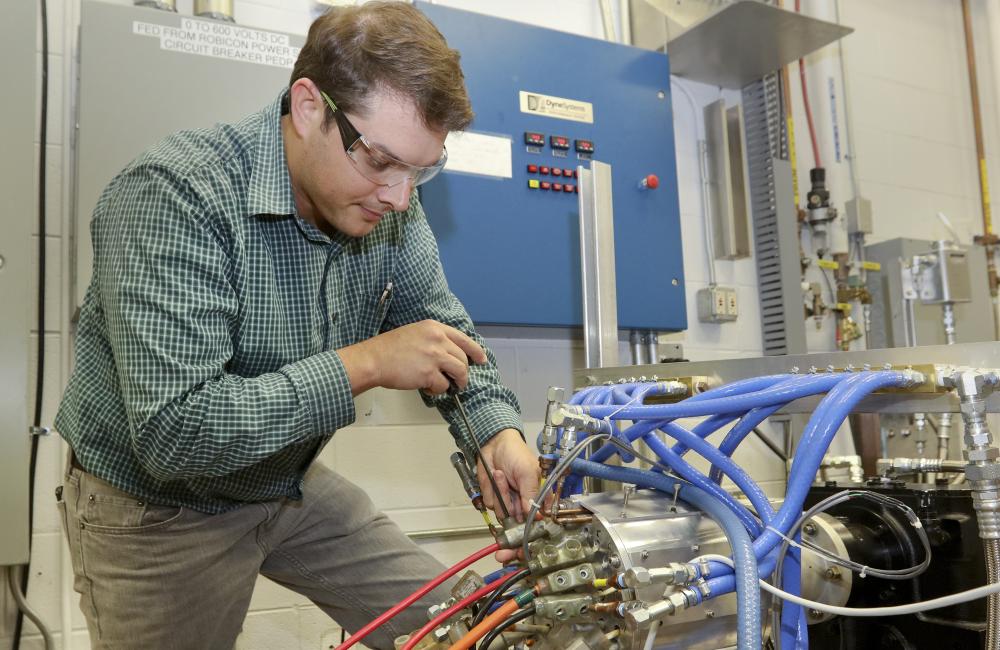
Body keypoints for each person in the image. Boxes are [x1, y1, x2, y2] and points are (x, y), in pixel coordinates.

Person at [54, 3, 541, 648]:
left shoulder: (387, 204)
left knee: (471, 629)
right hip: (156, 509)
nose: (399, 196)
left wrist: (497, 433)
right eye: (380, 161)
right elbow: (176, 434)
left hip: (284, 480)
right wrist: (367, 364)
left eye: (421, 170)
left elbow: (439, 328)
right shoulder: (176, 194)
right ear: (309, 107)